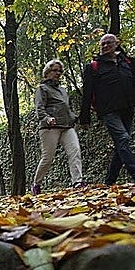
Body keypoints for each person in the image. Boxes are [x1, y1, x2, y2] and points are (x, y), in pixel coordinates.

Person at [79, 33, 135, 185]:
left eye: (108, 43)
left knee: (121, 144)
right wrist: (84, 117)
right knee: (123, 138)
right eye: (102, 44)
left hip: (127, 108)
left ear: (116, 44)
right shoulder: (94, 67)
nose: (105, 46)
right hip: (108, 110)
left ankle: (109, 181)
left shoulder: (128, 62)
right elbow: (87, 93)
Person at [30, 59, 83, 194]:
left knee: (75, 151)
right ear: (47, 72)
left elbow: (67, 109)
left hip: (67, 126)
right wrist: (47, 118)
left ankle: (77, 182)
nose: (58, 73)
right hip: (50, 127)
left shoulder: (63, 91)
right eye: (55, 70)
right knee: (48, 157)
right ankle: (36, 184)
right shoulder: (42, 89)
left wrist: (76, 118)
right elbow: (39, 108)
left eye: (60, 71)